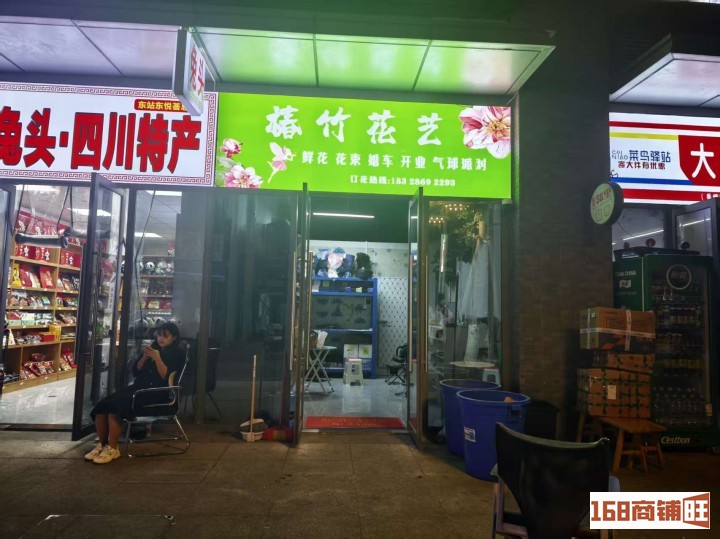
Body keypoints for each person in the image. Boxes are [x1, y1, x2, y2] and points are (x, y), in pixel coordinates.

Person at [84, 322, 184, 464]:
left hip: (156, 393)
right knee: (102, 406)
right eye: (159, 335)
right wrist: (144, 357)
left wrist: (157, 358)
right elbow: (136, 371)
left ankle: (113, 448)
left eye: (165, 336)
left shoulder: (176, 353)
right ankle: (102, 444)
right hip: (138, 388)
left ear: (174, 337)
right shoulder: (154, 348)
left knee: (115, 408)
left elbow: (166, 378)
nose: (161, 338)